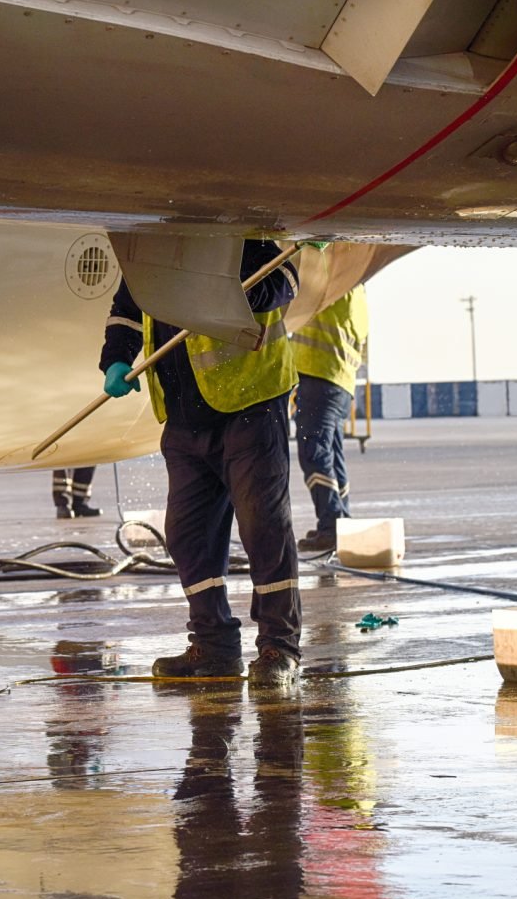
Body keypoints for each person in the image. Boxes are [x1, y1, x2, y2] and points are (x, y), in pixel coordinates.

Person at [99, 239, 301, 686]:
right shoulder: (149, 252)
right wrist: (115, 358)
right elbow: (128, 307)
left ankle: (278, 647)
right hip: (185, 416)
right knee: (188, 537)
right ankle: (213, 645)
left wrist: (223, 295)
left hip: (251, 404)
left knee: (263, 527)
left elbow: (284, 283)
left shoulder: (243, 239)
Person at [290, 285, 368, 553]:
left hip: (319, 373)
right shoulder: (357, 292)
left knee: (314, 452)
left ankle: (332, 524)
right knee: (332, 454)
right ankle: (339, 521)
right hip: (340, 382)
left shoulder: (336, 281)